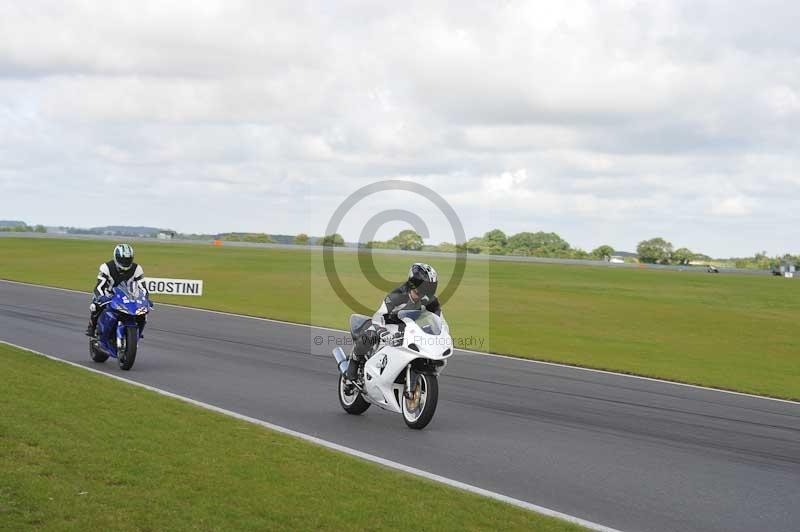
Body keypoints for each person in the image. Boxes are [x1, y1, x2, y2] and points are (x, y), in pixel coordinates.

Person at [345, 263, 441, 381]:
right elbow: (378, 316)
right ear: (413, 283)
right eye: (424, 287)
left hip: (408, 328)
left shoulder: (430, 300)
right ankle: (353, 363)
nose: (425, 292)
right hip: (386, 325)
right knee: (370, 335)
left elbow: (438, 318)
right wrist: (383, 332)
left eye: (429, 287)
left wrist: (440, 331)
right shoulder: (398, 295)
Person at [85, 244, 148, 337]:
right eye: (122, 259)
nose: (125, 262)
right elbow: (99, 287)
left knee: (143, 312)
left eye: (128, 259)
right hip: (109, 295)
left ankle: (138, 332)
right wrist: (101, 297)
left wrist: (145, 299)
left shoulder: (137, 269)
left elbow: (143, 288)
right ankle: (92, 327)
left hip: (129, 295)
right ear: (116, 257)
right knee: (95, 305)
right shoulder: (106, 267)